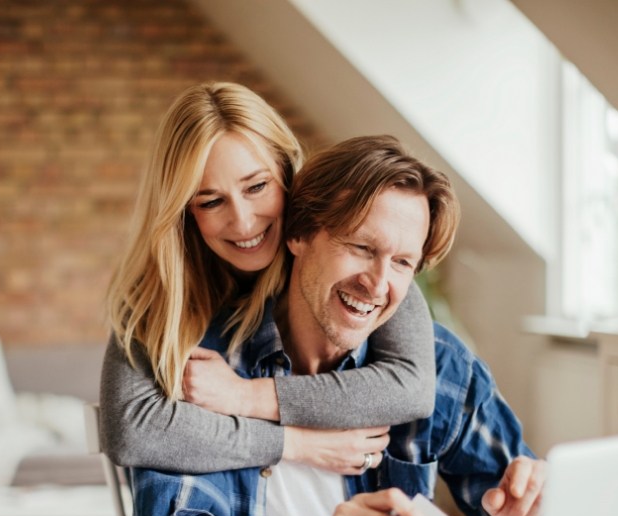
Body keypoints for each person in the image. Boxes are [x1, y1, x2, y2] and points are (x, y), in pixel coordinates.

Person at [127, 134, 545, 516]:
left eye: (403, 262)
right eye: (362, 248)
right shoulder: (206, 369)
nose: (378, 284)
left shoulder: (440, 365)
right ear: (299, 234)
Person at [100, 82, 442, 478]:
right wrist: (298, 444)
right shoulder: (160, 293)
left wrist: (246, 397)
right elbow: (132, 431)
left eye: (257, 187)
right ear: (183, 211)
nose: (244, 222)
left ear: (285, 171)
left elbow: (411, 388)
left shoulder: (343, 254)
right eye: (211, 201)